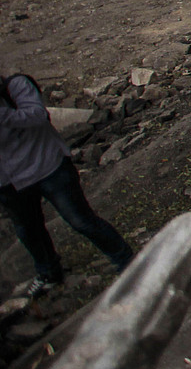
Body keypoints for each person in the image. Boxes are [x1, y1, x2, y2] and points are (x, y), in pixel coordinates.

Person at [0, 72, 133, 295]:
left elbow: (37, 115)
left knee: (81, 220)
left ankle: (127, 262)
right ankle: (49, 273)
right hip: (9, 181)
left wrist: (3, 115)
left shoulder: (15, 86)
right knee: (28, 231)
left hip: (47, 165)